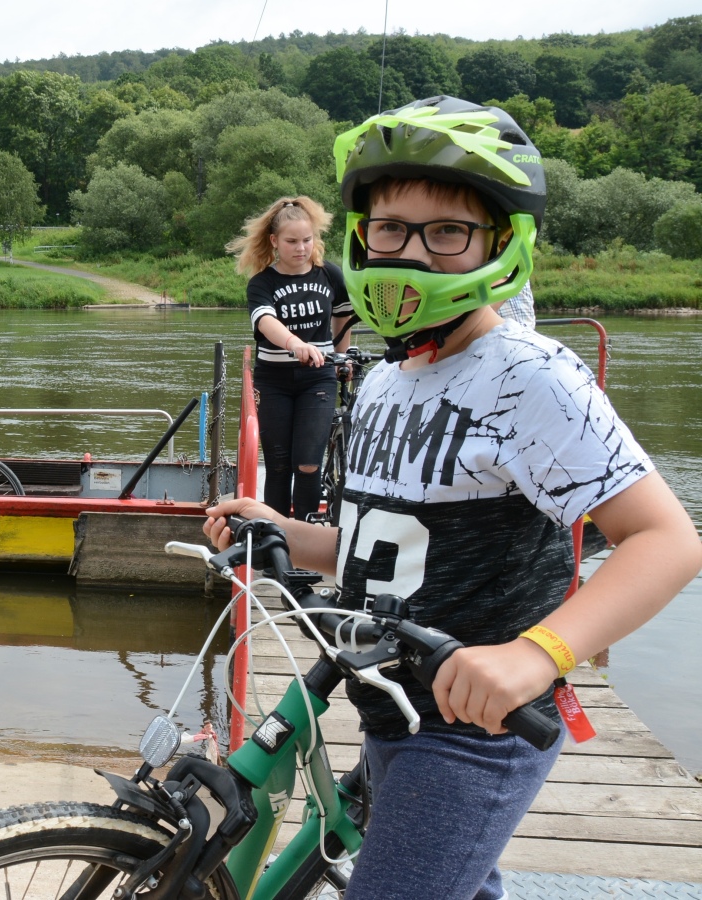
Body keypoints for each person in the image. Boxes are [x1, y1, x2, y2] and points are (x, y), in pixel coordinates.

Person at [204, 96, 702, 900]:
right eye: (391, 227)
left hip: (477, 731)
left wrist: (535, 655)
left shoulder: (529, 375)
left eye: (447, 231)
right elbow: (379, 539)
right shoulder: (387, 380)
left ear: (501, 244)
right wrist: (283, 530)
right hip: (389, 705)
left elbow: (667, 541)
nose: (412, 251)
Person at [227, 196, 353, 520]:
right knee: (280, 466)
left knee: (308, 464)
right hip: (274, 382)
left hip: (318, 379)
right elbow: (265, 321)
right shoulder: (262, 283)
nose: (301, 248)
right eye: (292, 241)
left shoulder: (331, 276)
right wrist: (294, 343)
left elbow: (343, 316)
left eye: (307, 240)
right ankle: (277, 538)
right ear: (274, 241)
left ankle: (305, 542)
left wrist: (343, 357)